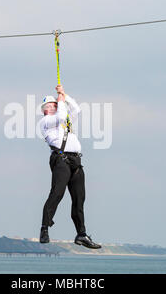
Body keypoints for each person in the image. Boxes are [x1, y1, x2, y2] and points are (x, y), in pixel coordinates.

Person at [38, 84, 101, 249]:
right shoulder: (46, 121)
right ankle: (44, 228)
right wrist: (59, 101)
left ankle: (81, 234)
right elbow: (60, 116)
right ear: (45, 110)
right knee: (57, 193)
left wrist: (64, 96)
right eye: (51, 105)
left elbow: (77, 110)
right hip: (61, 160)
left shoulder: (64, 119)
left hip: (76, 162)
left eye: (55, 105)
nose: (55, 106)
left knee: (79, 200)